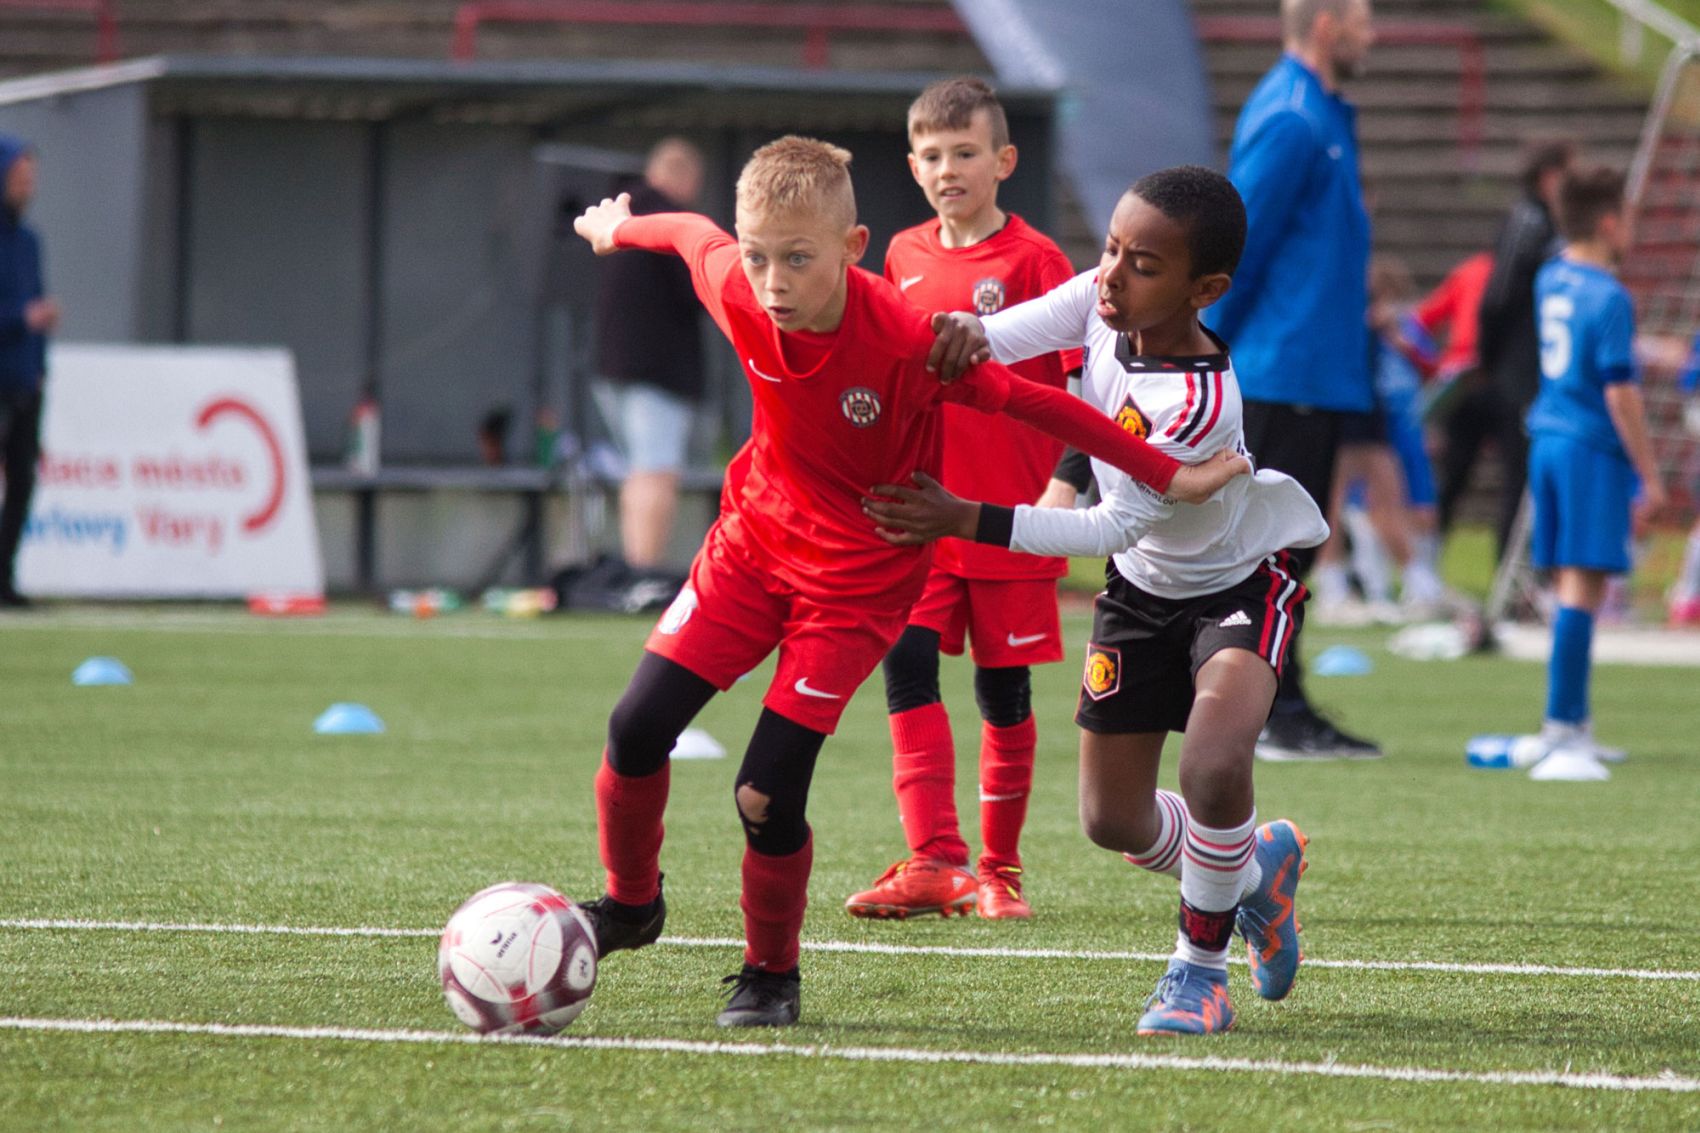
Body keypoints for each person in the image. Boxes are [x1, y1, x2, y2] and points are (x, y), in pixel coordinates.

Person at [568, 137, 1247, 1029]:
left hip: (857, 581)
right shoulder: (737, 281)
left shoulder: (901, 337)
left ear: (853, 249)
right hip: (750, 548)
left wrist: (1165, 473)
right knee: (633, 726)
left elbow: (1044, 403)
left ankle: (771, 972)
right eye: (761, 254)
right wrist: (622, 228)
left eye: (798, 258)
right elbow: (692, 234)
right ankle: (630, 905)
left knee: (764, 791)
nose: (772, 279)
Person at [866, 166, 1324, 1035]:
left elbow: (1109, 526)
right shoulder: (1101, 301)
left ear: (1206, 289)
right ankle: (1258, 869)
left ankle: (1198, 970)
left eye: (1143, 263)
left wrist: (967, 517)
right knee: (1111, 819)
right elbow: (992, 338)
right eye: (1111, 247)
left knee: (1215, 765)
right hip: (1141, 596)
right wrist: (939, 337)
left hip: (1234, 587)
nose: (1112, 272)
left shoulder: (1195, 397)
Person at [842, 76, 1082, 923]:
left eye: (967, 153)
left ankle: (1000, 870)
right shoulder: (901, 256)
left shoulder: (1037, 262)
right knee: (903, 664)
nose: (950, 169)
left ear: (1003, 161)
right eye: (934, 156)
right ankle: (933, 859)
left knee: (1001, 691)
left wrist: (1071, 479)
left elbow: (1081, 384)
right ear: (913, 166)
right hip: (919, 514)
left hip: (1011, 514)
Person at [1205, 0, 1381, 760]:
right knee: (1270, 552)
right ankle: (1270, 709)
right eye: (1363, 19)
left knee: (1291, 549)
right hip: (1281, 368)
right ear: (1325, 25)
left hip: (1314, 365)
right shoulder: (1294, 117)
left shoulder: (1325, 113)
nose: (1372, 35)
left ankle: (1280, 698)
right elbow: (1237, 240)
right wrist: (1204, 347)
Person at [1510, 166, 1666, 780]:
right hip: (1588, 446)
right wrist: (1649, 475)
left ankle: (1572, 724)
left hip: (1547, 437)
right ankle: (1562, 726)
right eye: (1626, 218)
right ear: (1608, 222)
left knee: (1575, 583)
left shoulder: (1554, 276)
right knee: (1583, 586)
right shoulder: (1610, 295)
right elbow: (1621, 396)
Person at [1442, 139, 1577, 562]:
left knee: (1525, 477)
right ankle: (1496, 572)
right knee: (1501, 474)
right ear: (1549, 176)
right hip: (1512, 376)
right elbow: (1497, 297)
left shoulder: (1551, 226)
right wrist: (1488, 358)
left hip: (1531, 374)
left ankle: (1521, 573)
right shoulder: (1528, 221)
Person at [592, 136, 709, 571]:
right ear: (685, 176)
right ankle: (643, 572)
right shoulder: (672, 220)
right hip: (657, 372)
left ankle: (635, 565)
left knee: (637, 472)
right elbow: (698, 292)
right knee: (656, 471)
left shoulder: (620, 214)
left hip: (612, 368)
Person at [0, 134, 55, 609]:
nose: (27, 186)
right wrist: (22, 319)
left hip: (24, 382)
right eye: (20, 177)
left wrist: (39, 367)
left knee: (21, 483)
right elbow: (23, 312)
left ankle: (5, 579)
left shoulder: (30, 242)